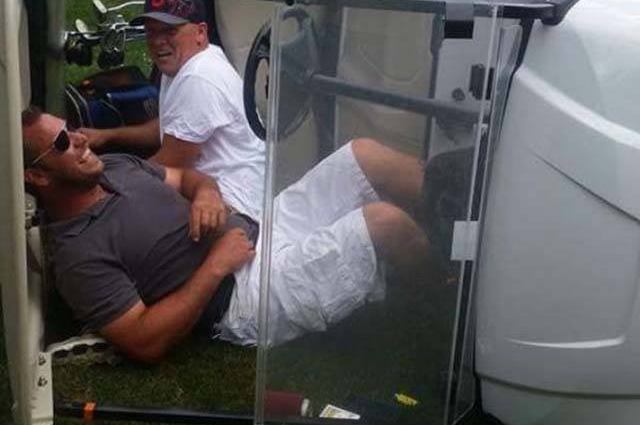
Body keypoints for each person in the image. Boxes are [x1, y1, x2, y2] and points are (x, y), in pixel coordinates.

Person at [23, 109, 433, 364]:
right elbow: (142, 341)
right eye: (62, 142)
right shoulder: (77, 255)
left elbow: (187, 177)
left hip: (262, 226)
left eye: (71, 128)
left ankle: (457, 210)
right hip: (243, 293)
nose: (81, 139)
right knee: (383, 223)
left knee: (364, 154)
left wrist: (207, 193)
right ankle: (447, 300)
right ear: (38, 176)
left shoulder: (113, 166)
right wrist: (216, 266)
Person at [82, 0, 265, 219]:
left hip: (231, 206)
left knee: (106, 220)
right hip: (210, 190)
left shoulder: (199, 77)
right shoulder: (190, 60)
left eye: (170, 30)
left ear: (200, 32)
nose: (158, 41)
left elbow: (167, 166)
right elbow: (169, 128)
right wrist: (107, 136)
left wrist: (95, 183)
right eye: (151, 31)